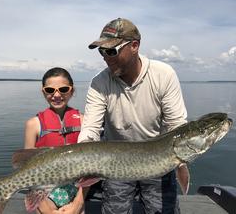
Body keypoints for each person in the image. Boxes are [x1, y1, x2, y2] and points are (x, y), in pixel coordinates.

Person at [78, 18, 187, 214]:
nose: (105, 57)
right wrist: (84, 154)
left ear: (134, 46)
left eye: (111, 50)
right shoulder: (99, 83)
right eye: (102, 51)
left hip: (159, 160)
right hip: (114, 162)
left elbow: (177, 126)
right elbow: (91, 129)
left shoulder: (163, 74)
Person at [24, 67, 85, 214]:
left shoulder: (84, 121)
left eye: (63, 89)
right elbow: (27, 170)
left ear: (72, 90)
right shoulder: (33, 124)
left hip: (76, 192)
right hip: (43, 195)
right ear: (43, 91)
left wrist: (76, 206)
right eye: (50, 90)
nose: (56, 95)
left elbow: (91, 169)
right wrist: (45, 209)